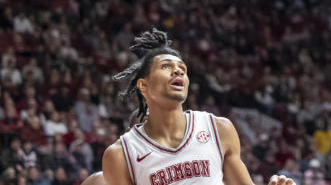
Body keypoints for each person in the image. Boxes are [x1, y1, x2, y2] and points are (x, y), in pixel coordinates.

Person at [101, 29, 295, 185]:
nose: (178, 70)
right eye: (166, 66)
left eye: (183, 69)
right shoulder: (120, 154)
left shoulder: (219, 129)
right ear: (143, 85)